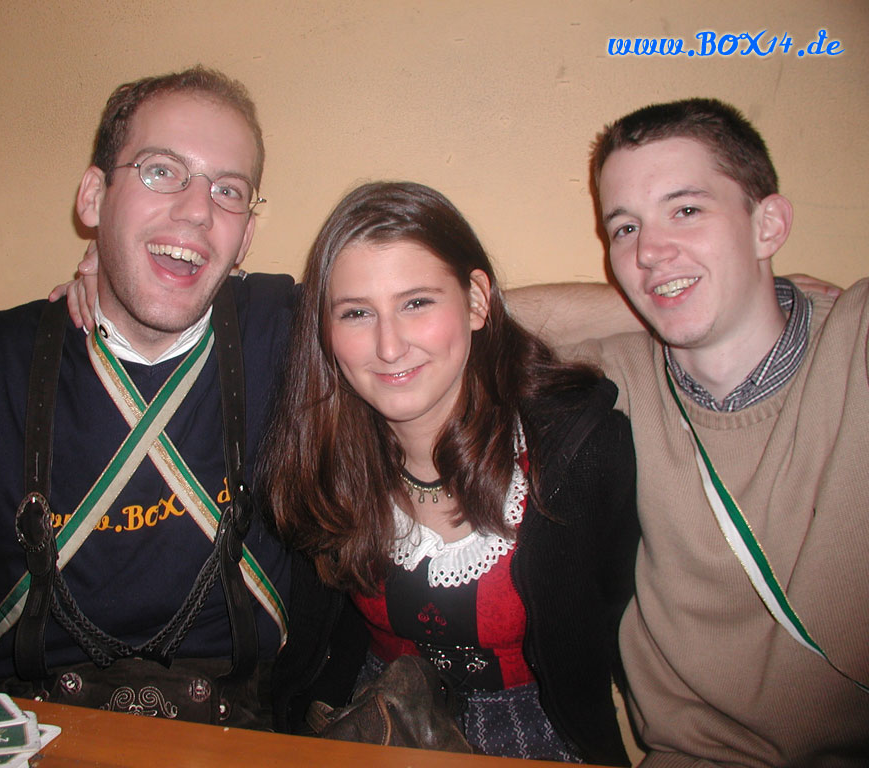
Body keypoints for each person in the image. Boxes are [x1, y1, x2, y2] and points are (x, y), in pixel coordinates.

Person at [0, 66, 296, 726]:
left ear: (245, 236)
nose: (198, 210)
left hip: (243, 740)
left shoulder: (286, 331)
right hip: (43, 733)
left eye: (229, 190)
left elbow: (429, 335)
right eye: (161, 171)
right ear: (93, 198)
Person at [515, 98, 869, 767]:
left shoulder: (855, 342)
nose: (648, 251)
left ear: (768, 224)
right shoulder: (621, 374)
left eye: (685, 210)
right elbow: (467, 322)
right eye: (625, 228)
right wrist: (659, 294)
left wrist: (687, 287)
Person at [261, 181, 640, 764]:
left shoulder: (577, 455)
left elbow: (619, 620)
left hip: (540, 734)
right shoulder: (322, 455)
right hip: (376, 723)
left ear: (477, 301)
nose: (389, 347)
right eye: (357, 313)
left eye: (416, 303)